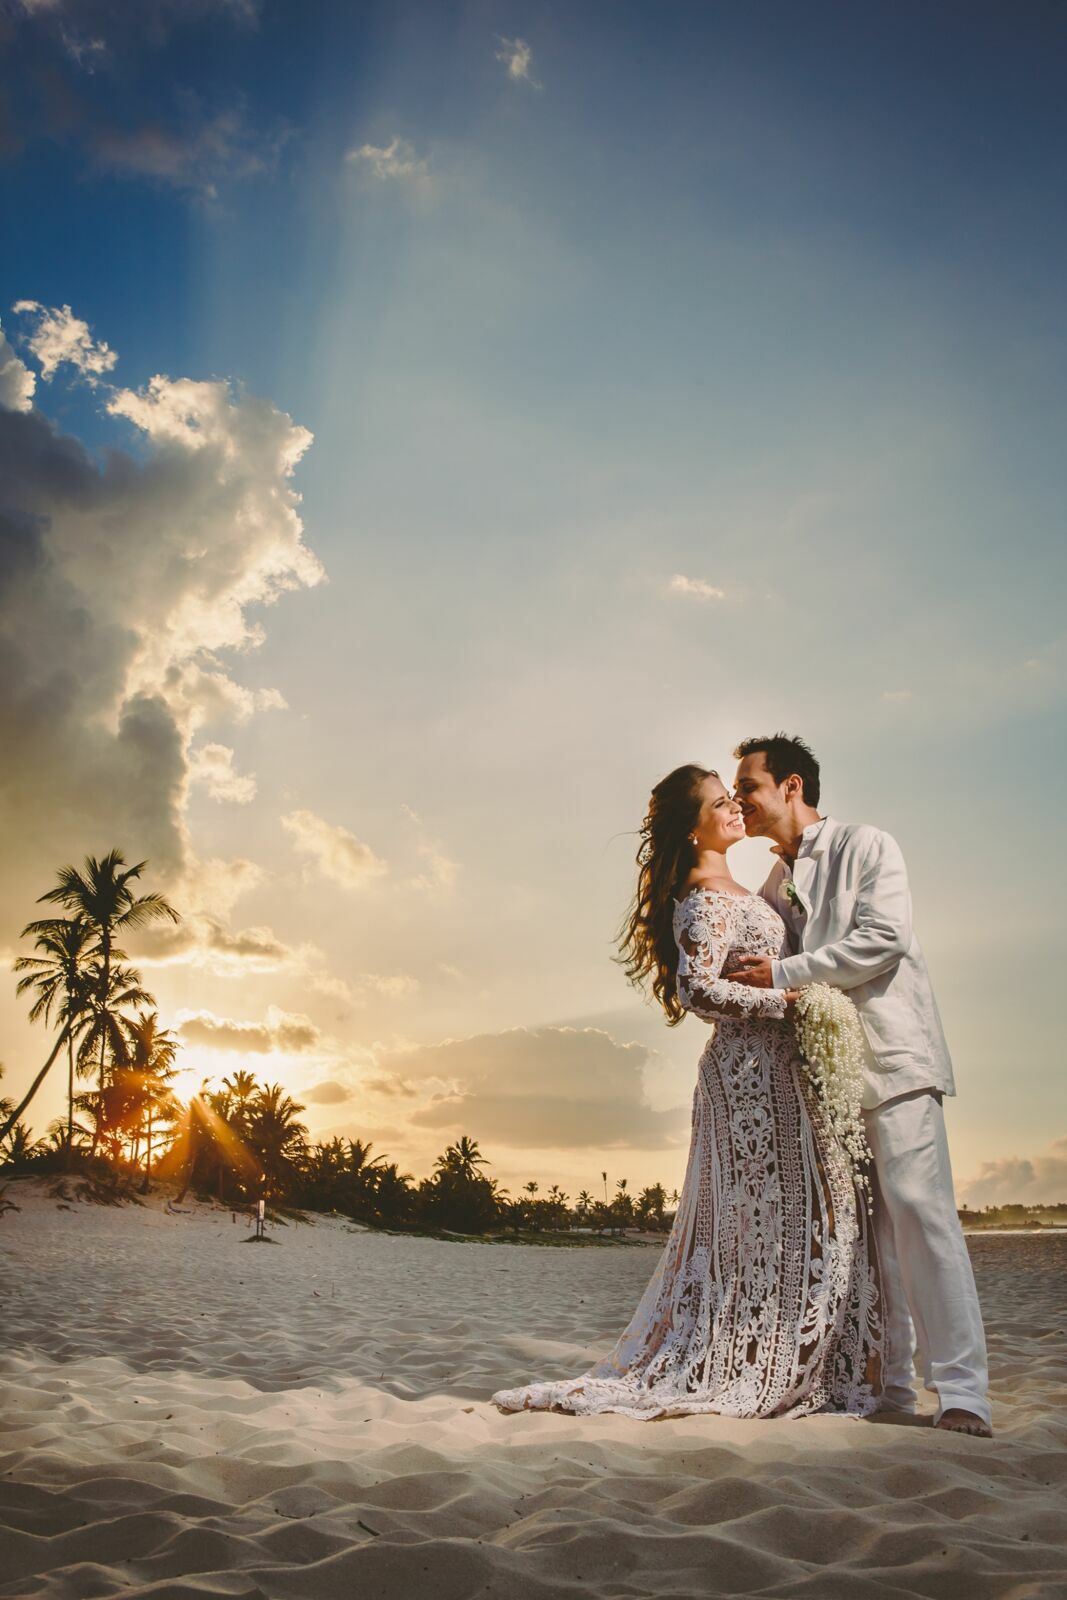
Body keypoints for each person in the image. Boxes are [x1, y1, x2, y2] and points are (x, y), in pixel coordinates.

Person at [490, 765, 883, 1420]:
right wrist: (786, 1004)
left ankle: (816, 1362)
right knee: (761, 1223)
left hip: (786, 1074)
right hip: (746, 1077)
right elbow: (695, 990)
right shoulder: (701, 894)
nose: (733, 809)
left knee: (817, 1212)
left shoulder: (746, 885)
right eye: (720, 802)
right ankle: (753, 1363)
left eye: (734, 799)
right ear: (693, 823)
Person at [729, 733, 992, 1437]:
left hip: (895, 1055)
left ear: (790, 786)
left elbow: (885, 937)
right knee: (866, 1235)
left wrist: (783, 974)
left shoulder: (867, 845)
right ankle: (893, 1386)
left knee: (918, 1213)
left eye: (747, 786)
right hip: (826, 1076)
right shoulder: (768, 888)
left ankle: (964, 1391)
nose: (738, 801)